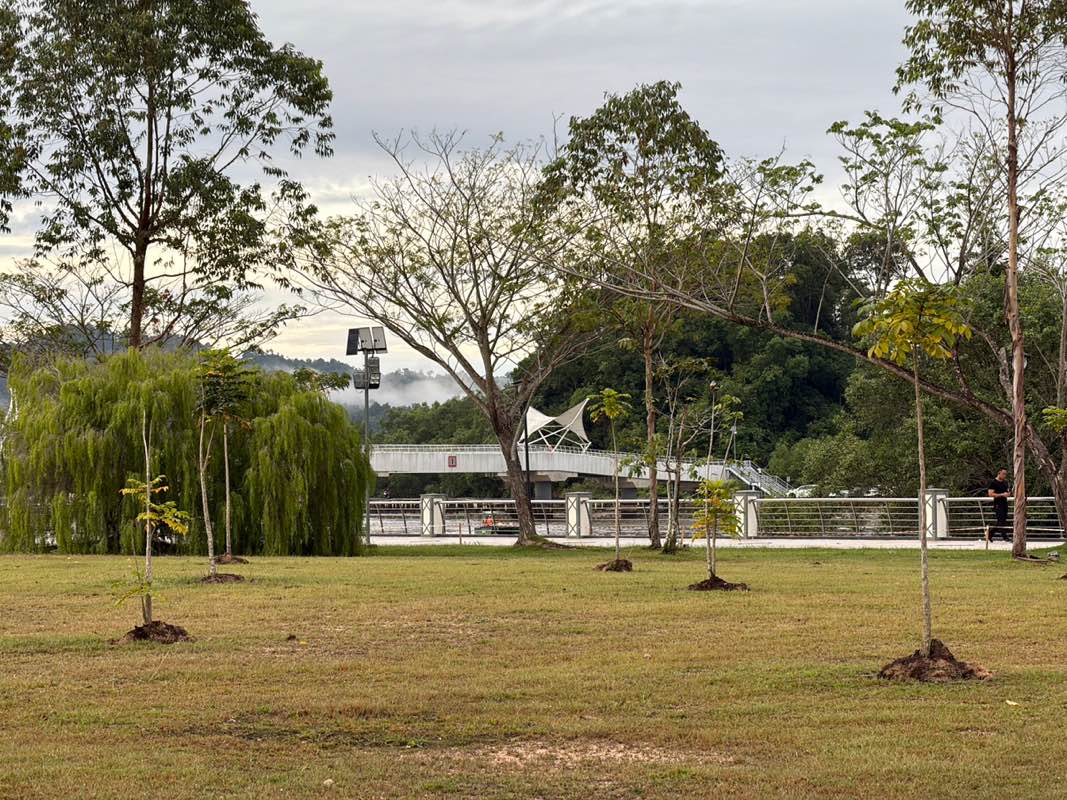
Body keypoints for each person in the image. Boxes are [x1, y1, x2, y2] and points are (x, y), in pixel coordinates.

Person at [986, 469, 1011, 543]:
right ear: (999, 473)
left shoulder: (1005, 482)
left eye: (1005, 474)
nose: (1004, 475)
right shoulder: (993, 482)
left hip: (1004, 503)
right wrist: (1001, 494)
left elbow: (1007, 491)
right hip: (998, 504)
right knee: (1000, 521)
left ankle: (990, 533)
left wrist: (1007, 494)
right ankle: (1005, 537)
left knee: (1002, 521)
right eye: (1003, 474)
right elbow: (990, 494)